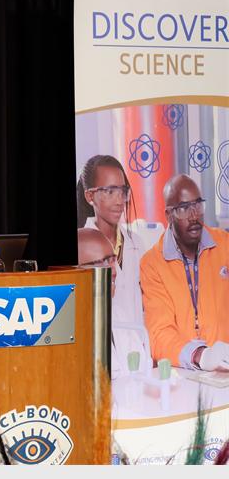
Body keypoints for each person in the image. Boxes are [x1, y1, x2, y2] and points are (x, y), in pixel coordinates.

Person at [140, 174, 229, 371]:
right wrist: (200, 355)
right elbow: (159, 334)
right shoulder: (152, 263)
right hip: (182, 374)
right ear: (168, 215)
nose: (194, 215)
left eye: (197, 205)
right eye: (183, 208)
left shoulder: (224, 244)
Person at [77, 155, 148, 377]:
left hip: (139, 355)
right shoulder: (81, 247)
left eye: (122, 191)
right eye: (109, 191)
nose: (119, 200)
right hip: (99, 361)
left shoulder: (137, 244)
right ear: (90, 196)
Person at [77, 227, 148, 377]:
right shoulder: (70, 329)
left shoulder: (119, 314)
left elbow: (140, 371)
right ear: (75, 271)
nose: (113, 270)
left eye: (111, 260)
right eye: (100, 263)